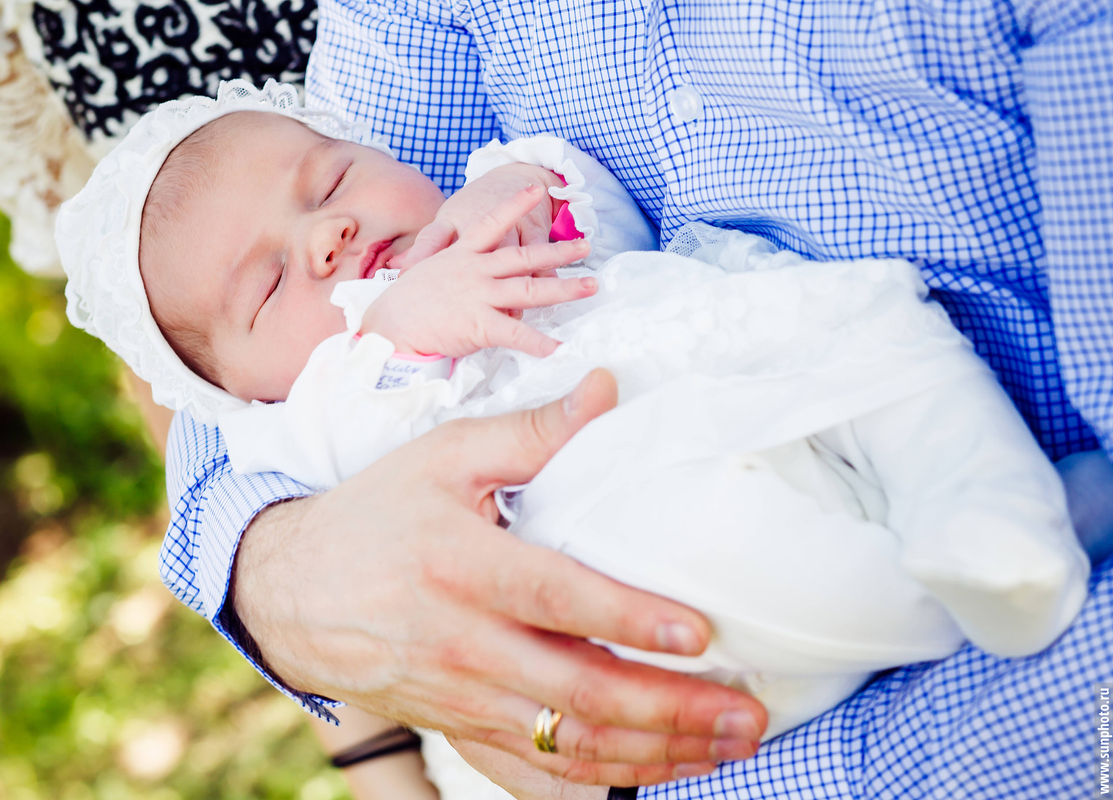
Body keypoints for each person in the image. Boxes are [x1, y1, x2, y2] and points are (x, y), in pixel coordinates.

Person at [81, 2, 1113, 797]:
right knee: (740, 551)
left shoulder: (455, 218)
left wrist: (520, 192)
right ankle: (925, 587)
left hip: (775, 352)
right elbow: (245, 474)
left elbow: (591, 218)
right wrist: (393, 343)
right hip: (642, 503)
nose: (329, 233)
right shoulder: (314, 403)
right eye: (269, 285)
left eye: (333, 175)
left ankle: (1003, 515)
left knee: (899, 343)